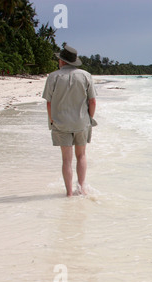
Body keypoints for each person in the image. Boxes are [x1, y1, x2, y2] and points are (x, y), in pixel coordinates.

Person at [42, 45, 97, 197]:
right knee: (82, 156)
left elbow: (49, 102)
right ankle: (81, 188)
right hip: (81, 122)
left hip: (60, 123)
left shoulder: (53, 76)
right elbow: (92, 101)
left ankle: (69, 193)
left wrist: (52, 120)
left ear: (62, 61)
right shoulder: (86, 75)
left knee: (66, 159)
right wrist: (89, 119)